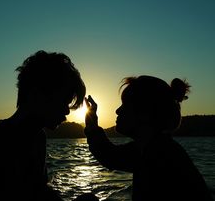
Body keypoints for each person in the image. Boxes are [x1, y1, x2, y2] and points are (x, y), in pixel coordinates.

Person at [0, 50, 97, 201]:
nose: (67, 111)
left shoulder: (37, 136)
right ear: (37, 94)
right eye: (63, 101)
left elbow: (37, 190)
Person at [84, 75, 213, 201]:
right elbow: (110, 156)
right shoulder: (150, 147)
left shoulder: (160, 154)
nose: (118, 111)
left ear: (144, 114)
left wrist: (92, 127)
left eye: (125, 105)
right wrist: (92, 125)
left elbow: (110, 156)